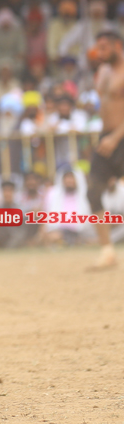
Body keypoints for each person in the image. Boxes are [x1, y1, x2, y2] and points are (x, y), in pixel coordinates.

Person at [87, 30, 124, 270]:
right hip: (106, 138)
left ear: (117, 45)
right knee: (93, 192)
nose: (99, 53)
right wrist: (106, 137)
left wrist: (115, 137)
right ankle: (107, 252)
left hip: (121, 136)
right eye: (98, 48)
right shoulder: (102, 71)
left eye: (104, 47)